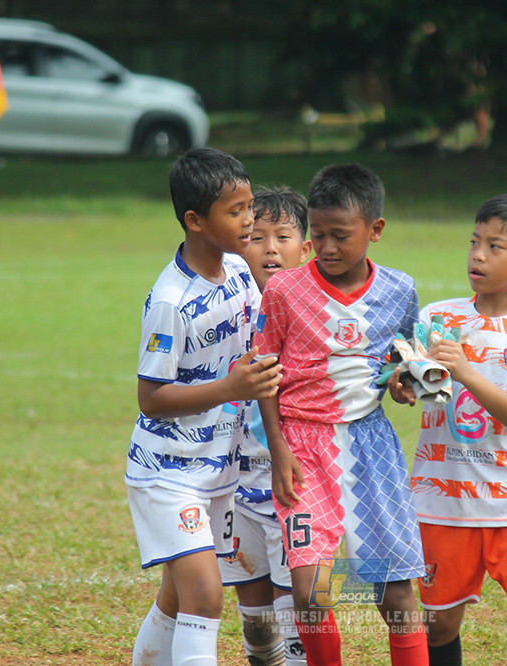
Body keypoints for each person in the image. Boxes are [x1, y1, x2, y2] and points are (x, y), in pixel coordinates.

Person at [255, 164, 429, 666]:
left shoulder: (399, 290)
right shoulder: (284, 290)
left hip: (372, 448)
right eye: (318, 234)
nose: (326, 247)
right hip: (301, 447)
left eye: (341, 236)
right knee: (310, 592)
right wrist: (278, 448)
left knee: (396, 593)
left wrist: (404, 383)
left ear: (375, 230)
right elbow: (264, 373)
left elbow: (403, 362)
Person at [392, 190, 507, 666]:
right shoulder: (437, 317)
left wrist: (466, 371)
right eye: (474, 242)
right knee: (440, 622)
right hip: (441, 500)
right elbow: (419, 388)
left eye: (495, 246)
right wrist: (402, 384)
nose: (478, 255)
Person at [125, 147, 284, 666]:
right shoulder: (170, 300)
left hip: (220, 470)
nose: (250, 219)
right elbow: (151, 398)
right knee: (206, 596)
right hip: (168, 473)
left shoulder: (238, 270)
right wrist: (228, 388)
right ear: (195, 221)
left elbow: (262, 352)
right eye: (235, 211)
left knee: (177, 597)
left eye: (249, 206)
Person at [218, 186, 313, 666]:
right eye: (257, 237)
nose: (270, 249)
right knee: (254, 617)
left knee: (298, 606)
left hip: (295, 483)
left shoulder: (313, 311)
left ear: (306, 248)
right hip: (235, 485)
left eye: (283, 237)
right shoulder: (228, 306)